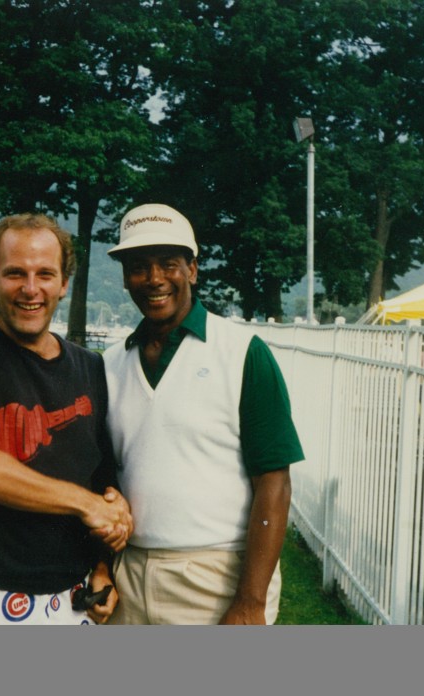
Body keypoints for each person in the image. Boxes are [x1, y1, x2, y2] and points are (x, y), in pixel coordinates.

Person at [103, 203, 305, 625]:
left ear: (192, 269)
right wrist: (103, 566)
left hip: (216, 578)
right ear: (125, 277)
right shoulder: (109, 365)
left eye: (169, 264)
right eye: (139, 266)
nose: (154, 279)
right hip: (129, 578)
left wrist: (250, 601)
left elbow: (275, 482)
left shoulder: (242, 352)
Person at [0, 213, 132, 625]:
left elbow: (103, 477)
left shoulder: (90, 366)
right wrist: (87, 504)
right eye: (15, 273)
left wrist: (105, 564)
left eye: (45, 274)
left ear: (63, 283)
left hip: (72, 599)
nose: (31, 289)